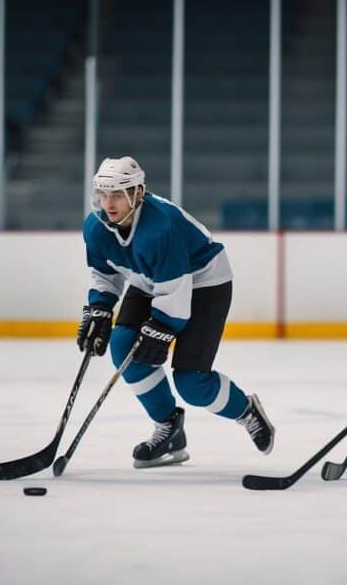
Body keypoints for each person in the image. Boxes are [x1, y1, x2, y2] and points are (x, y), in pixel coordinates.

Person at [77, 156, 275, 469]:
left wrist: (163, 326)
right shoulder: (96, 226)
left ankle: (245, 410)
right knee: (122, 345)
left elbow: (176, 291)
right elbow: (106, 273)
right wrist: (100, 308)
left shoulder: (159, 226)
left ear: (138, 193)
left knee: (191, 382)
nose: (109, 203)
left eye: (117, 194)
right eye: (103, 194)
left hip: (205, 281)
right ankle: (169, 428)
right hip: (151, 280)